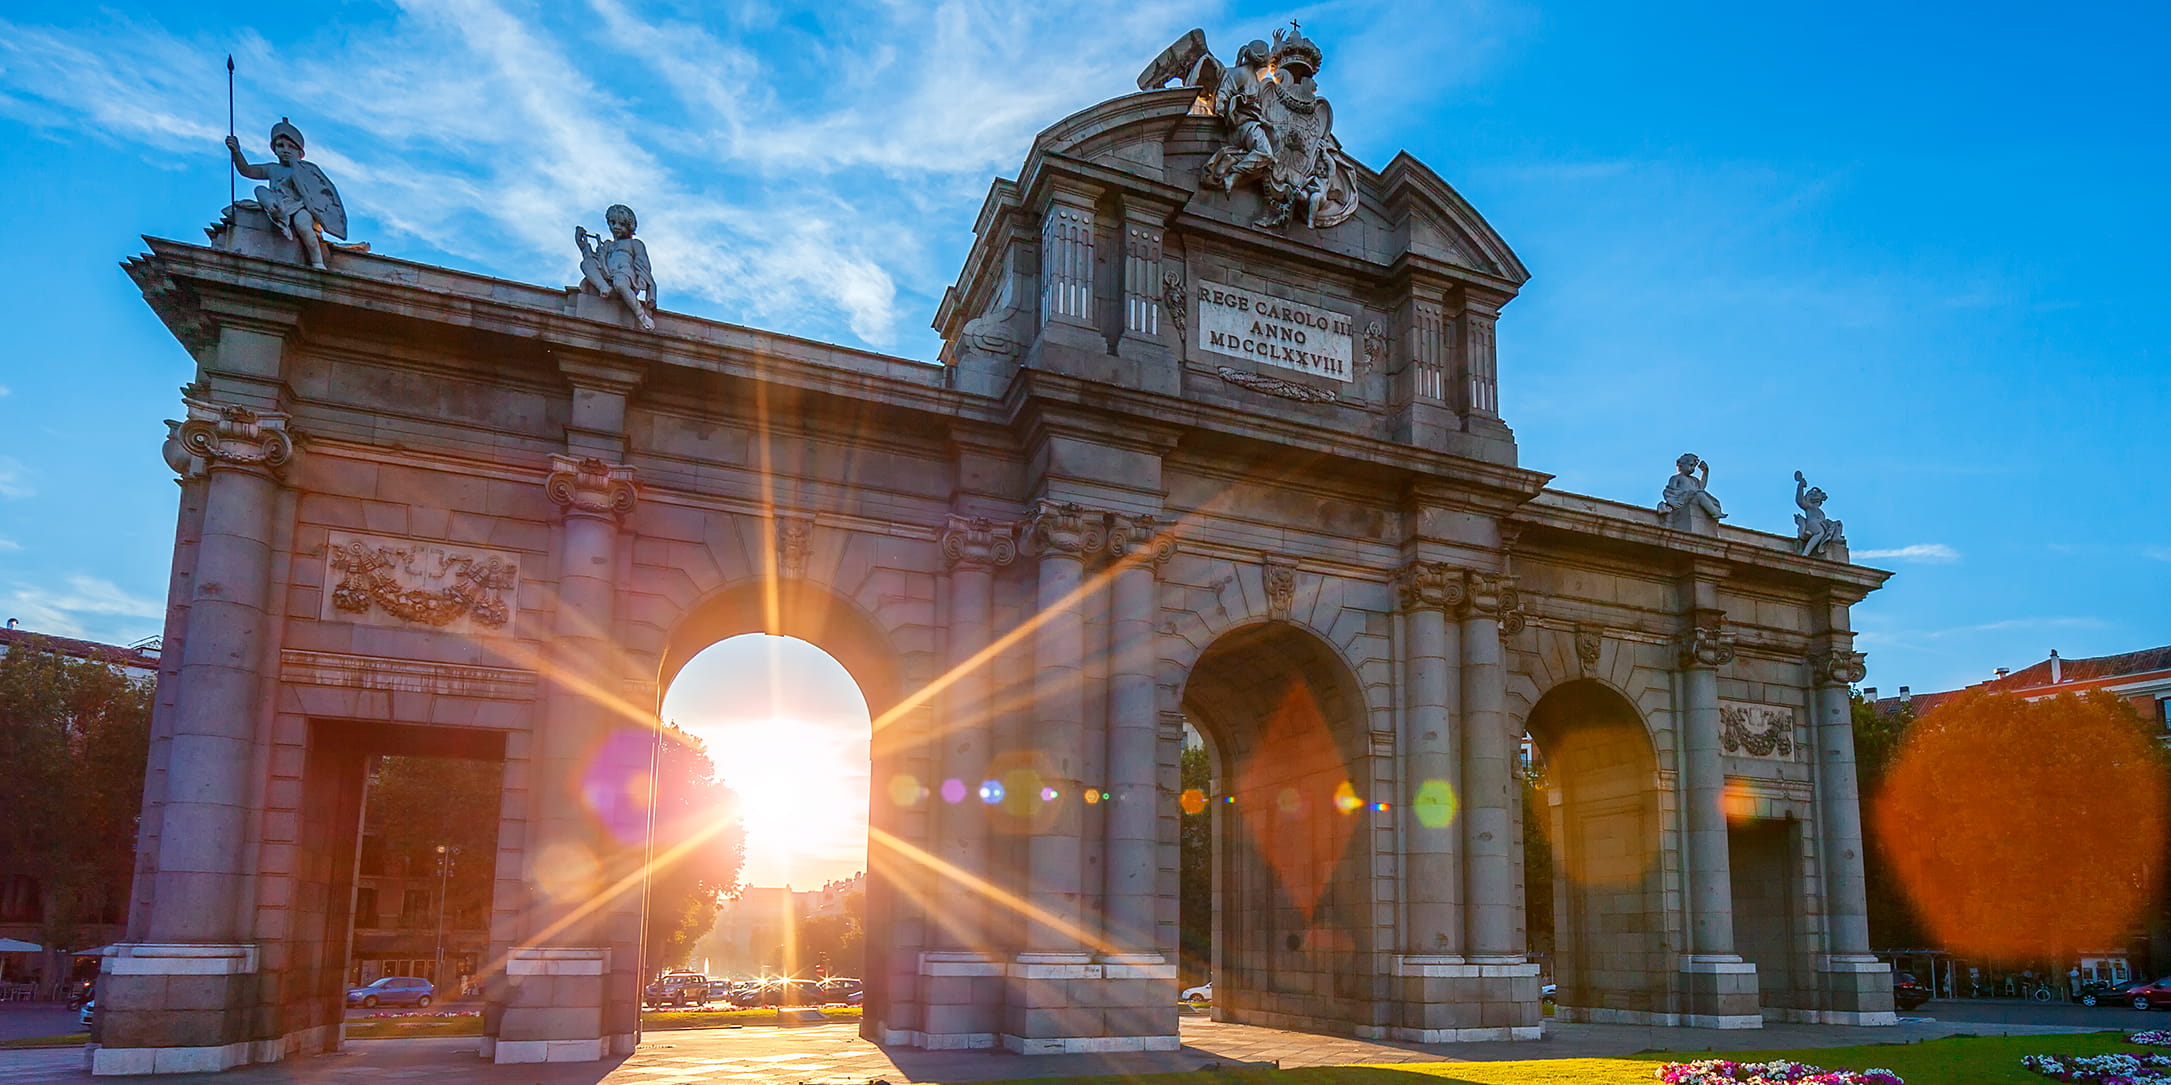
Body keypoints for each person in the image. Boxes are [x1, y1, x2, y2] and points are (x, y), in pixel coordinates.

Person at [225, 118, 348, 270]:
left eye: (291, 147)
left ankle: (318, 262)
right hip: (278, 202)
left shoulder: (306, 170)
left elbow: (321, 193)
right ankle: (274, 209)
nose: (285, 149)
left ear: (300, 153)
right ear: (274, 149)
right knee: (259, 190)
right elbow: (247, 170)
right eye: (280, 145)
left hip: (300, 206)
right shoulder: (272, 168)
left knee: (303, 225)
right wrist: (237, 152)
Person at [576, 204, 657, 331]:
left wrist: (650, 290)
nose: (615, 227)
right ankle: (604, 287)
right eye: (612, 223)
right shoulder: (608, 245)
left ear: (629, 225)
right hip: (607, 275)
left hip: (625, 276)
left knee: (619, 283)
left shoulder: (635, 244)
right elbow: (595, 258)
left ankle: (642, 317)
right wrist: (582, 244)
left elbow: (643, 266)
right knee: (586, 263)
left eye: (621, 224)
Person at [1656, 453, 1725, 521]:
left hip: (1693, 498)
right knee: (1700, 495)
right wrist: (1671, 501)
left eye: (1694, 466)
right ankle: (1714, 513)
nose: (1692, 468)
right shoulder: (1676, 478)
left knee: (1702, 495)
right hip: (1683, 499)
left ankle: (1714, 511)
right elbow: (1669, 491)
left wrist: (1705, 472)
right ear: (1681, 465)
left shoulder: (1694, 479)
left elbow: (1701, 487)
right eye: (1691, 465)